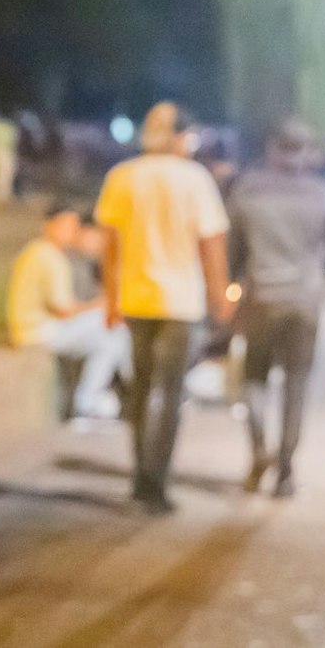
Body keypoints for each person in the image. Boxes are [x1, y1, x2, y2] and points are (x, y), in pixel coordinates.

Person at [96, 102, 234, 514]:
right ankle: (156, 481)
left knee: (141, 387)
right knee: (170, 393)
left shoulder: (122, 177)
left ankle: (141, 474)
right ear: (180, 137)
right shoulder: (195, 180)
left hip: (136, 298)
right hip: (179, 301)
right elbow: (211, 245)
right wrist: (220, 295)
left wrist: (110, 297)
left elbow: (110, 245)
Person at [226, 116, 325, 498]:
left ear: (271, 148)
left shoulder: (247, 191)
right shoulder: (322, 194)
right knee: (297, 382)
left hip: (261, 297)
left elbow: (232, 251)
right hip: (305, 301)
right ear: (308, 152)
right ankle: (286, 471)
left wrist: (235, 282)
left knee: (254, 376)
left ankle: (258, 449)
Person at [6, 206, 130, 419]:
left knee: (109, 342)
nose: (72, 232)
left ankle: (92, 403)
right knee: (113, 324)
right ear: (50, 226)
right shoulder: (49, 256)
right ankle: (132, 391)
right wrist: (100, 305)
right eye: (67, 226)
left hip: (32, 330)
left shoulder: (37, 251)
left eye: (74, 227)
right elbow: (64, 310)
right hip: (37, 333)